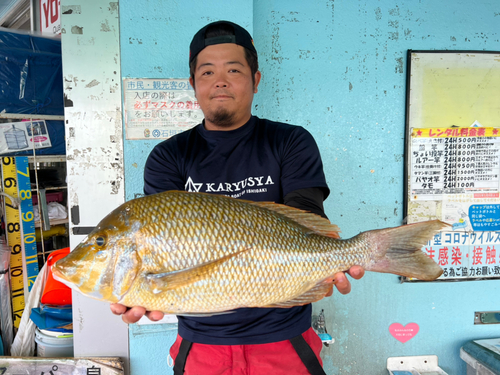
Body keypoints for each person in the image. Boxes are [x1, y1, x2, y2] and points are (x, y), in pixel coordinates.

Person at [111, 20, 364, 374]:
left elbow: (306, 217)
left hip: (285, 339)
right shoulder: (169, 156)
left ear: (255, 80)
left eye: (234, 69)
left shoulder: (290, 142)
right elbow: (161, 239)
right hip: (201, 345)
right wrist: (139, 286)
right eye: (207, 72)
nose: (220, 81)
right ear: (193, 85)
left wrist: (331, 256)